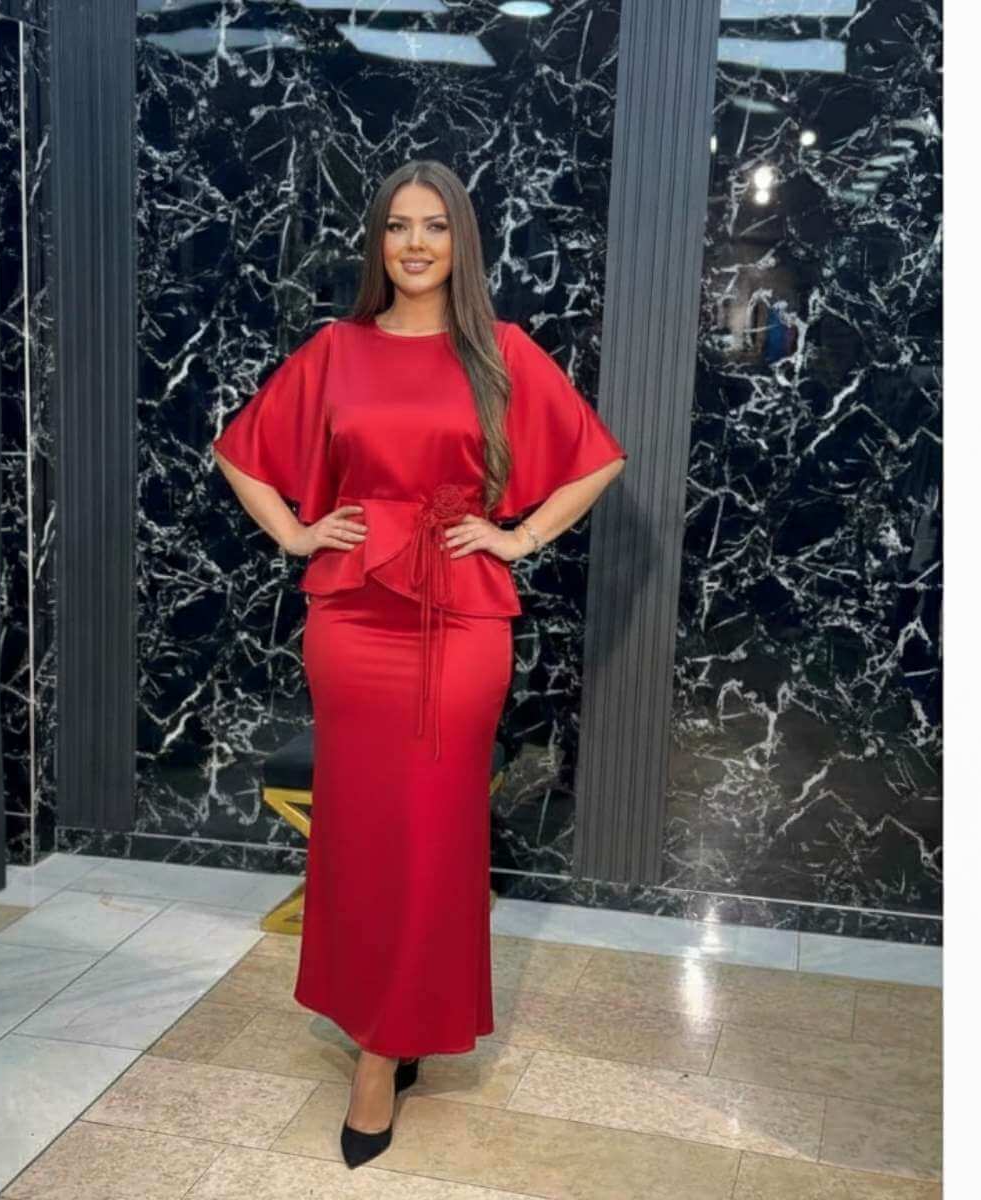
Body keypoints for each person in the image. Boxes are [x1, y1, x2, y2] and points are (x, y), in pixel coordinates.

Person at [212, 160, 628, 1168]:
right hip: (352, 620)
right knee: (360, 833)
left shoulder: (501, 351)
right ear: (378, 241)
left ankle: (387, 1048)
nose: (413, 243)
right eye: (397, 226)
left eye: (434, 227)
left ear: (460, 243)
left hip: (462, 623)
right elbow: (239, 452)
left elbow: (598, 458)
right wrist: (298, 533)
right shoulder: (336, 349)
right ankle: (376, 1031)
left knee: (435, 834)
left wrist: (519, 538)